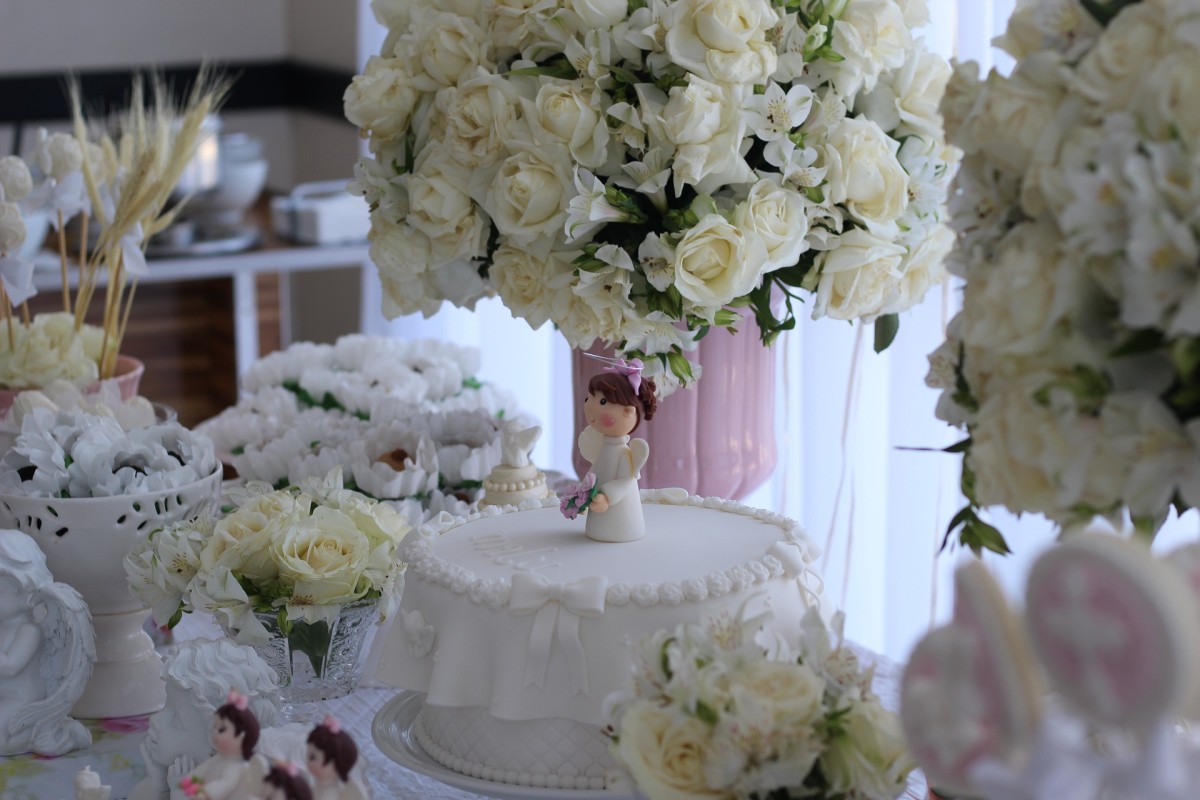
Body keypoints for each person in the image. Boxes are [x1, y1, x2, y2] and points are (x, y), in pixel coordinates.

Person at [577, 357, 657, 543]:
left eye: (602, 401)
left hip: (624, 522)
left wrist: (607, 497)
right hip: (596, 525)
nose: (590, 406)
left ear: (628, 411)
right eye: (589, 398)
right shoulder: (604, 449)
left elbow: (626, 481)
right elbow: (594, 472)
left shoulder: (624, 454)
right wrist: (582, 494)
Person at [176, 690, 260, 800]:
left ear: (241, 736)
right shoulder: (219, 758)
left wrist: (206, 793)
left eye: (221, 729)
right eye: (214, 727)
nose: (215, 733)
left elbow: (226, 783)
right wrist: (190, 779)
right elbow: (204, 769)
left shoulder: (237, 765)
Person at [306, 715, 368, 799]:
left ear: (337, 764)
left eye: (312, 757)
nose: (307, 762)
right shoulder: (319, 783)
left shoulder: (330, 793)